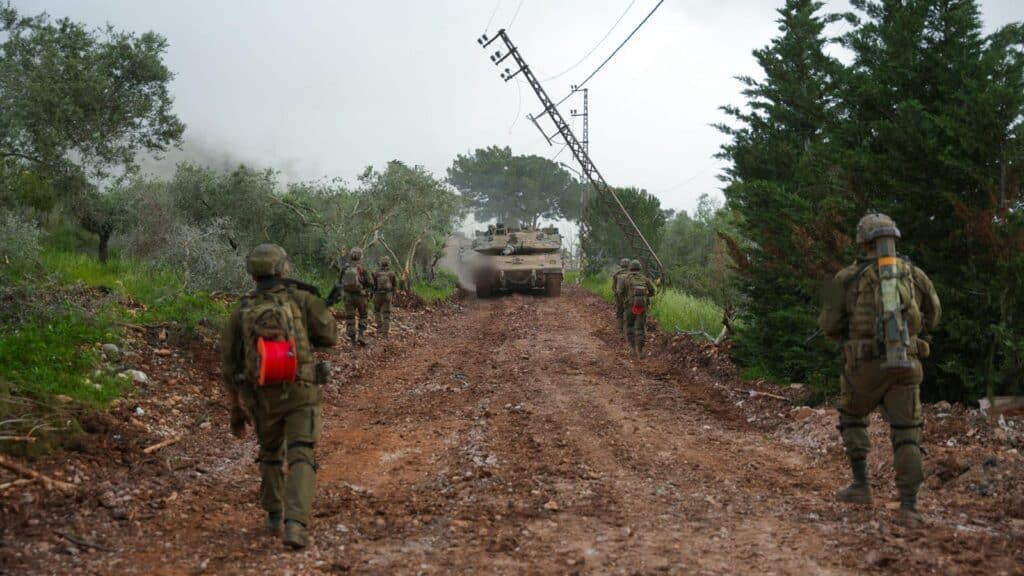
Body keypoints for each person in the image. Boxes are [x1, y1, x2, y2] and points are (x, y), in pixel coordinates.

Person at [819, 212, 941, 527]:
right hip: (907, 364)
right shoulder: (914, 274)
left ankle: (861, 485)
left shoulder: (847, 277)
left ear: (863, 242)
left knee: (852, 415)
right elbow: (934, 314)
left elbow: (830, 326)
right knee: (906, 434)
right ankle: (909, 507)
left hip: (865, 366)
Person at [222, 244, 338, 548]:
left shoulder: (242, 310)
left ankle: (274, 515)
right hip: (300, 389)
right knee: (302, 453)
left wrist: (235, 407)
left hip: (260, 393)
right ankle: (295, 525)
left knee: (270, 452)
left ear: (252, 274)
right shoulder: (301, 298)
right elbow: (330, 337)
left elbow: (230, 365)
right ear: (283, 269)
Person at [336, 247, 375, 345]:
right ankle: (361, 335)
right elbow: (370, 282)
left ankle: (353, 341)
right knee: (363, 315)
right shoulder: (362, 268)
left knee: (350, 317)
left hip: (348, 297)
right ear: (360, 256)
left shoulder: (345, 267)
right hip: (361, 296)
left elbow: (339, 282)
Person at [618, 259, 656, 355]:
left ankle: (632, 349)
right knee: (640, 328)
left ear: (630, 268)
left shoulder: (626, 279)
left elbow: (620, 292)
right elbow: (652, 291)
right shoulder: (645, 279)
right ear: (639, 268)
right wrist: (645, 298)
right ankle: (640, 350)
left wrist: (626, 300)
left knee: (629, 326)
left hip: (629, 306)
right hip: (642, 307)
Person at [372, 256, 400, 338]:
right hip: (388, 295)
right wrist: (393, 295)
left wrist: (372, 294)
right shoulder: (392, 273)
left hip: (377, 295)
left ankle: (379, 328)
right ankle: (385, 334)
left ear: (381, 263)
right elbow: (395, 285)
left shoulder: (376, 273)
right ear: (389, 263)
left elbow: (373, 285)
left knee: (377, 311)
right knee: (386, 314)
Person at [611, 258, 631, 333]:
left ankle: (620, 329)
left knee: (619, 312)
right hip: (630, 297)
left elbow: (613, 288)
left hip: (619, 297)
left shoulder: (616, 274)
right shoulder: (632, 274)